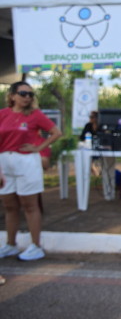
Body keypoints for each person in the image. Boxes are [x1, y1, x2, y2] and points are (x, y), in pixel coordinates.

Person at [0, 81, 62, 261]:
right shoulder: (3, 114)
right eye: (23, 93)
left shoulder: (35, 115)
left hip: (26, 162)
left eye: (30, 94)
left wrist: (39, 148)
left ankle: (35, 245)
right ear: (12, 96)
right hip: (5, 162)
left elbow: (56, 132)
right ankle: (11, 244)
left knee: (30, 205)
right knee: (9, 206)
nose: (27, 97)